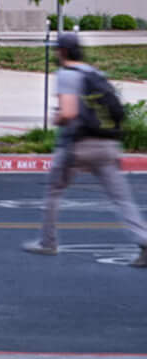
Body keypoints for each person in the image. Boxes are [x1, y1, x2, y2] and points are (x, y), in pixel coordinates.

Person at [23, 32, 147, 265]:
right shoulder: (94, 73)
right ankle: (144, 239)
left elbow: (69, 113)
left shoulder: (67, 75)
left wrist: (57, 119)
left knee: (54, 190)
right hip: (108, 145)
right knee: (121, 198)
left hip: (79, 146)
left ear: (62, 51)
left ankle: (47, 242)